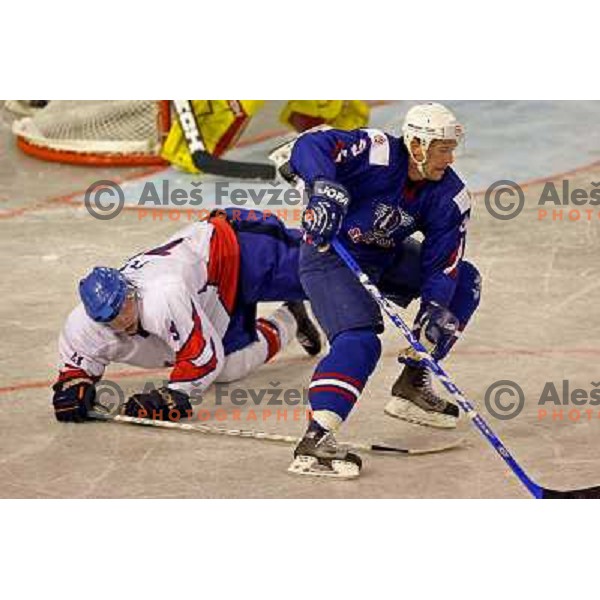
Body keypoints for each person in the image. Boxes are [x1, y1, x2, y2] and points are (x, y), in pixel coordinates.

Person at [284, 102, 482, 479]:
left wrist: (435, 308)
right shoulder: (377, 150)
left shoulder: (450, 195)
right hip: (330, 254)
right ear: (418, 145)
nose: (450, 157)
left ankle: (411, 383)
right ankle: (317, 438)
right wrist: (325, 186)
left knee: (464, 284)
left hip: (384, 255)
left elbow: (445, 262)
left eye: (451, 148)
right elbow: (310, 147)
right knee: (360, 339)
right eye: (442, 148)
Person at [51, 209, 322, 423]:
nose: (122, 321)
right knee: (229, 368)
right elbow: (76, 367)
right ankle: (292, 317)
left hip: (236, 247)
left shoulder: (163, 295)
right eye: (111, 319)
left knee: (330, 269)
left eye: (123, 307)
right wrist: (75, 386)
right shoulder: (83, 325)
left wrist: (174, 394)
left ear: (130, 290)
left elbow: (201, 358)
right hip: (211, 299)